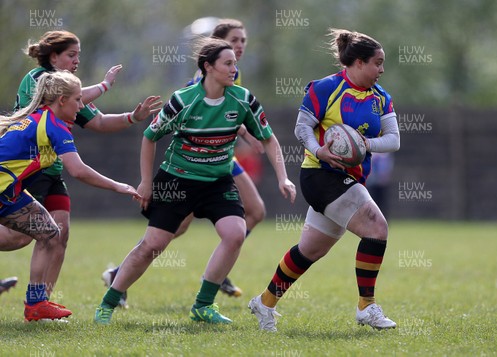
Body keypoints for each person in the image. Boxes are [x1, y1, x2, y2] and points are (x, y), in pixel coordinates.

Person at [93, 37, 296, 325]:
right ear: (208, 67)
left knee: (235, 233)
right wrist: (146, 183)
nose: (234, 69)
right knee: (153, 245)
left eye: (235, 64)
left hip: (218, 181)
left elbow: (270, 139)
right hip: (177, 180)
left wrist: (283, 178)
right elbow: (149, 137)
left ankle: (203, 305)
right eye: (228, 63)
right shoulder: (182, 100)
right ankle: (108, 302)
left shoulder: (243, 99)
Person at [248, 28, 400, 332]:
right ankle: (366, 307)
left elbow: (393, 140)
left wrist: (366, 144)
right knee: (376, 228)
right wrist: (319, 150)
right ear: (357, 62)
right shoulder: (325, 88)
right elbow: (302, 126)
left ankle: (264, 303)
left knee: (310, 250)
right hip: (319, 175)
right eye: (377, 63)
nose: (382, 70)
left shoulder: (381, 98)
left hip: (350, 179)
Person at [101, 18, 263, 302]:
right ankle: (120, 275)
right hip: (195, 162)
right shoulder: (201, 82)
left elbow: (230, 112)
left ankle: (218, 267)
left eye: (243, 41)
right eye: (234, 40)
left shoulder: (235, 76)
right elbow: (186, 117)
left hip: (221, 157)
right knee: (170, 232)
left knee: (255, 211)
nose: (239, 46)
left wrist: (246, 134)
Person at [0, 30, 161, 310]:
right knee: (24, 235)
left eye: (78, 56)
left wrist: (133, 117)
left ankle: (39, 303)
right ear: (53, 57)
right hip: (19, 177)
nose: (76, 61)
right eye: (71, 55)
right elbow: (80, 170)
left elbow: (97, 122)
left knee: (54, 233)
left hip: (34, 176)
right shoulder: (43, 89)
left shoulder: (63, 102)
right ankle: (37, 303)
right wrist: (118, 186)